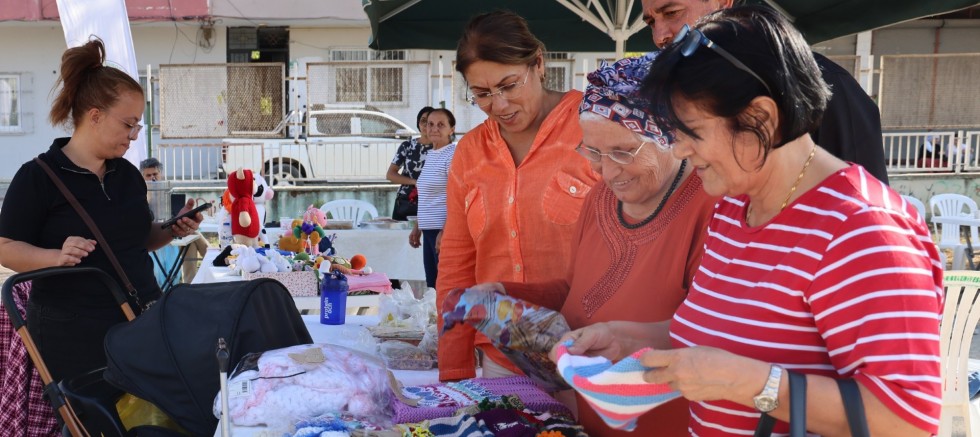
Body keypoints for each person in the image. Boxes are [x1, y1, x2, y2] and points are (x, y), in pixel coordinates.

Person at [559, 6, 943, 436]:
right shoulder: (733, 209)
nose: (680, 150)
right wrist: (629, 338)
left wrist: (749, 385)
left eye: (690, 131)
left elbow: (907, 420)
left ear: (758, 118)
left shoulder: (862, 228)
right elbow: (733, 334)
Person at [471, 53, 716, 436]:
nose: (606, 171)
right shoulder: (600, 198)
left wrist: (629, 339)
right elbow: (576, 290)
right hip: (594, 421)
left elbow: (717, 335)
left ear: (673, 138)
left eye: (623, 152)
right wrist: (507, 293)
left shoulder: (712, 207)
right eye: (593, 153)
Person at [0, 39, 203, 383]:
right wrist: (55, 256)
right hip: (73, 335)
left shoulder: (125, 174)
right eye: (128, 124)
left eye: (137, 126)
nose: (134, 136)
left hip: (140, 321)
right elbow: (6, 248)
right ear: (95, 116)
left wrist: (171, 229)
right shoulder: (38, 177)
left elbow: (138, 240)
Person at [436, 10, 600, 382]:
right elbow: (457, 268)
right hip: (502, 359)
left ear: (538, 63)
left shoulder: (594, 128)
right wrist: (455, 370)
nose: (500, 105)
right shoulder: (470, 153)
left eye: (510, 86)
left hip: (587, 352)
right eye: (481, 93)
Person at [640, 0, 889, 184]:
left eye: (671, 12)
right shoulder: (729, 216)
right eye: (651, 22)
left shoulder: (827, 83)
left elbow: (863, 199)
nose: (660, 35)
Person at [139, 158, 209, 285]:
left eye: (155, 174)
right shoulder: (138, 196)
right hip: (158, 238)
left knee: (191, 238)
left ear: (161, 174)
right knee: (193, 237)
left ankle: (190, 282)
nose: (152, 178)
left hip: (176, 233)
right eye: (148, 176)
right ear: (142, 177)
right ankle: (213, 259)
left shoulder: (167, 192)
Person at [408, 108, 457, 289]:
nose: (434, 128)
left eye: (441, 125)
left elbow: (457, 195)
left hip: (442, 230)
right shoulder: (432, 154)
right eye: (430, 124)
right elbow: (427, 196)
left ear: (451, 129)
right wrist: (417, 226)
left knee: (445, 286)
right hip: (429, 229)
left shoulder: (452, 153)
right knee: (432, 285)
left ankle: (449, 319)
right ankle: (436, 319)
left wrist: (445, 231)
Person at [387, 106, 435, 221]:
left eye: (430, 122)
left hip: (432, 204)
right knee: (401, 237)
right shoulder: (407, 146)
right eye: (423, 121)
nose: (426, 125)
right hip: (405, 202)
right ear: (418, 123)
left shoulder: (442, 148)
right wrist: (414, 182)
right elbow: (390, 175)